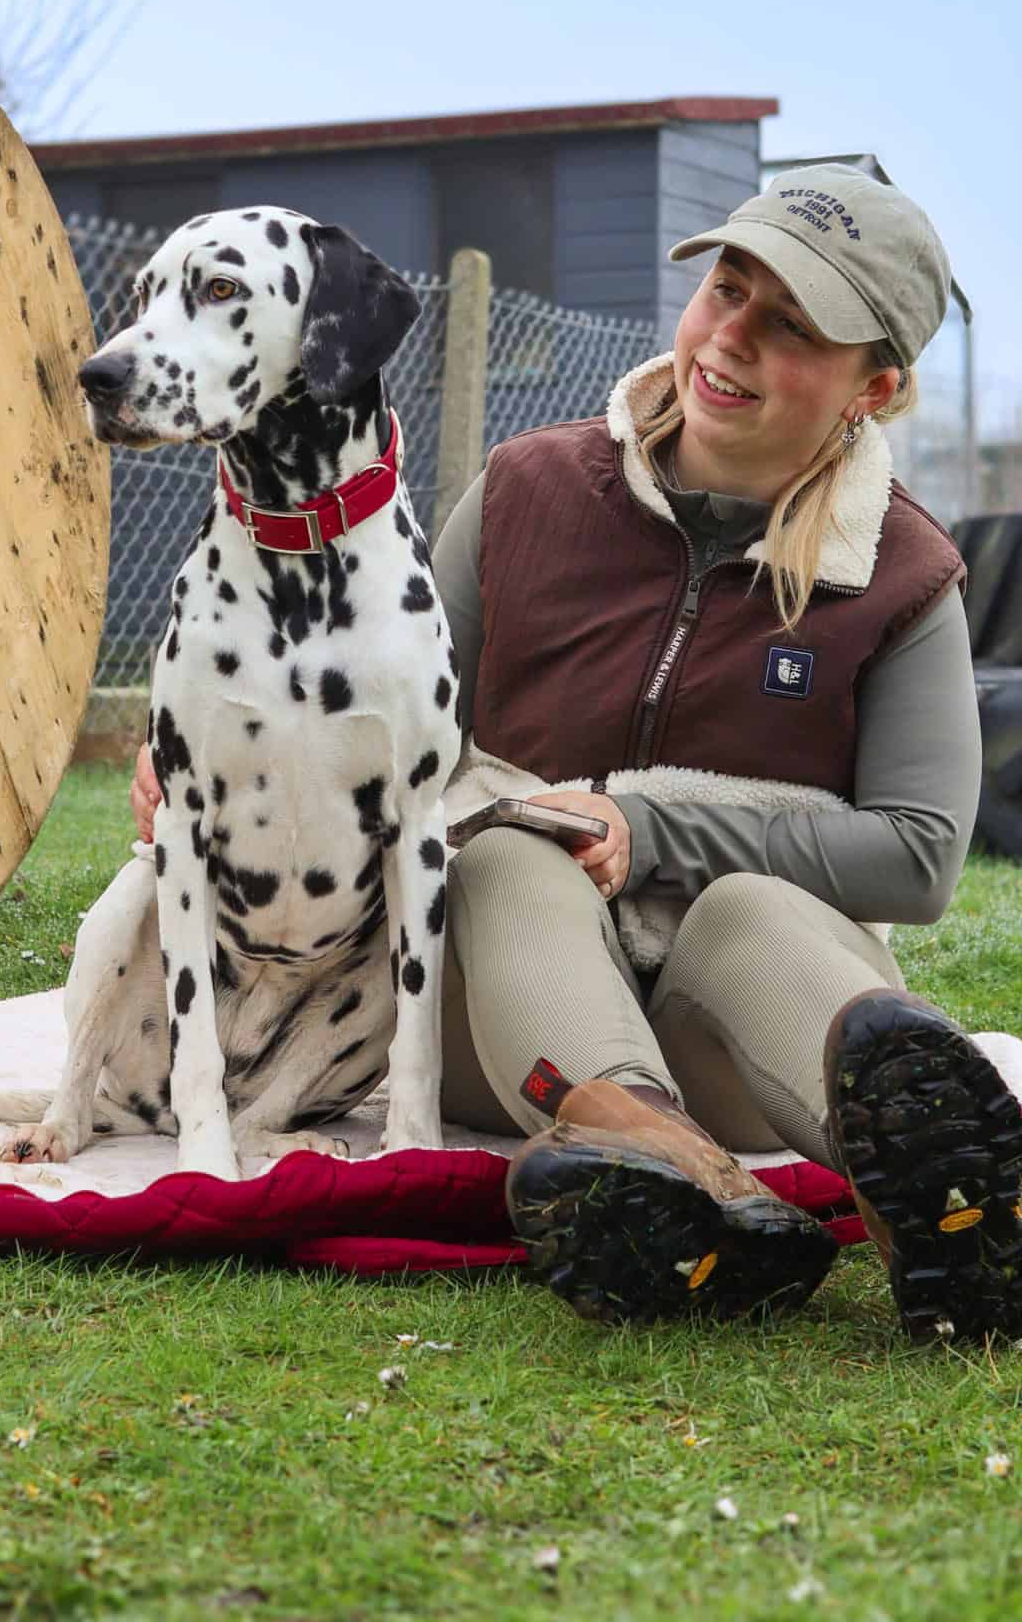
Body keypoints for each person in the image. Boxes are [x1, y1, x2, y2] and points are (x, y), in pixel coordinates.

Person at [131, 164, 1016, 1339]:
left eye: (791, 325)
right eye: (728, 288)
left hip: (728, 1030)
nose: (732, 336)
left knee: (747, 906)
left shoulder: (904, 574)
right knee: (503, 850)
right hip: (488, 1016)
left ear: (878, 385)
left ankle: (957, 1219)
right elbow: (391, 724)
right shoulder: (526, 489)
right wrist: (220, 760)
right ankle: (658, 1170)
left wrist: (653, 818)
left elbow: (916, 856)